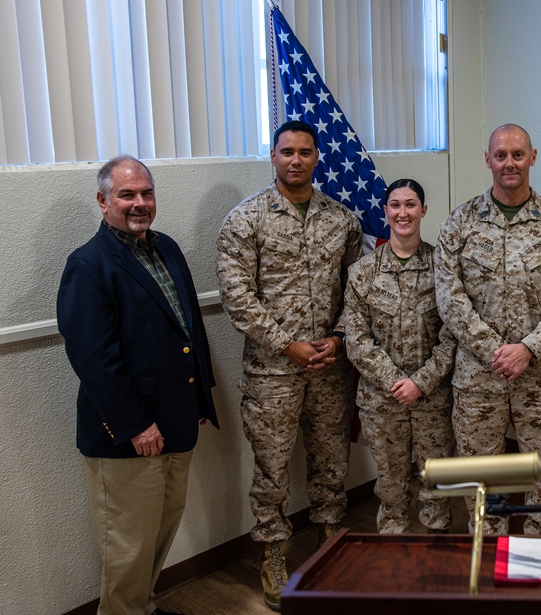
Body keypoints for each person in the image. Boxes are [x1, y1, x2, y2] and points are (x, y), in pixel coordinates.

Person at [57, 155, 219, 615]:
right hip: (130, 436)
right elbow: (93, 359)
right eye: (127, 194)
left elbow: (190, 331)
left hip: (177, 422)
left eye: (146, 193)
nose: (139, 203)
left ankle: (142, 608)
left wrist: (199, 398)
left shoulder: (165, 247)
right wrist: (135, 424)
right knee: (128, 547)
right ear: (103, 200)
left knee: (161, 532)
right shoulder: (88, 265)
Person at [216, 120, 362, 611]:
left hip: (330, 368)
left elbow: (356, 290)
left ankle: (329, 543)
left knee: (330, 461)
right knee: (272, 469)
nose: (295, 160)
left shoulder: (342, 219)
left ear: (318, 156)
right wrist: (288, 345)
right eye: (286, 152)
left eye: (304, 151)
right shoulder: (246, 219)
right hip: (271, 372)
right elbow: (238, 299)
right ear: (272, 157)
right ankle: (274, 554)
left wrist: (339, 338)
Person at [434, 123, 541, 535]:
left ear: (533, 157)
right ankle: (488, 557)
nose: (509, 163)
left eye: (517, 155)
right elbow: (450, 298)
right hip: (478, 376)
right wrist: (493, 350)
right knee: (483, 475)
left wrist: (528, 349)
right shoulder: (460, 224)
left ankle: (540, 555)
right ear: (488, 160)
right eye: (500, 155)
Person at [343, 179, 456, 533]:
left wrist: (420, 383)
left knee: (436, 484)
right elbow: (356, 338)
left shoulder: (444, 269)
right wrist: (397, 382)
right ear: (385, 212)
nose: (402, 213)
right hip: (382, 401)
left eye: (410, 205)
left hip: (433, 398)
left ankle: (438, 552)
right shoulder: (362, 272)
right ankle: (394, 558)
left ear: (423, 211)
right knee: (390, 485)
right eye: (395, 205)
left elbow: (454, 334)